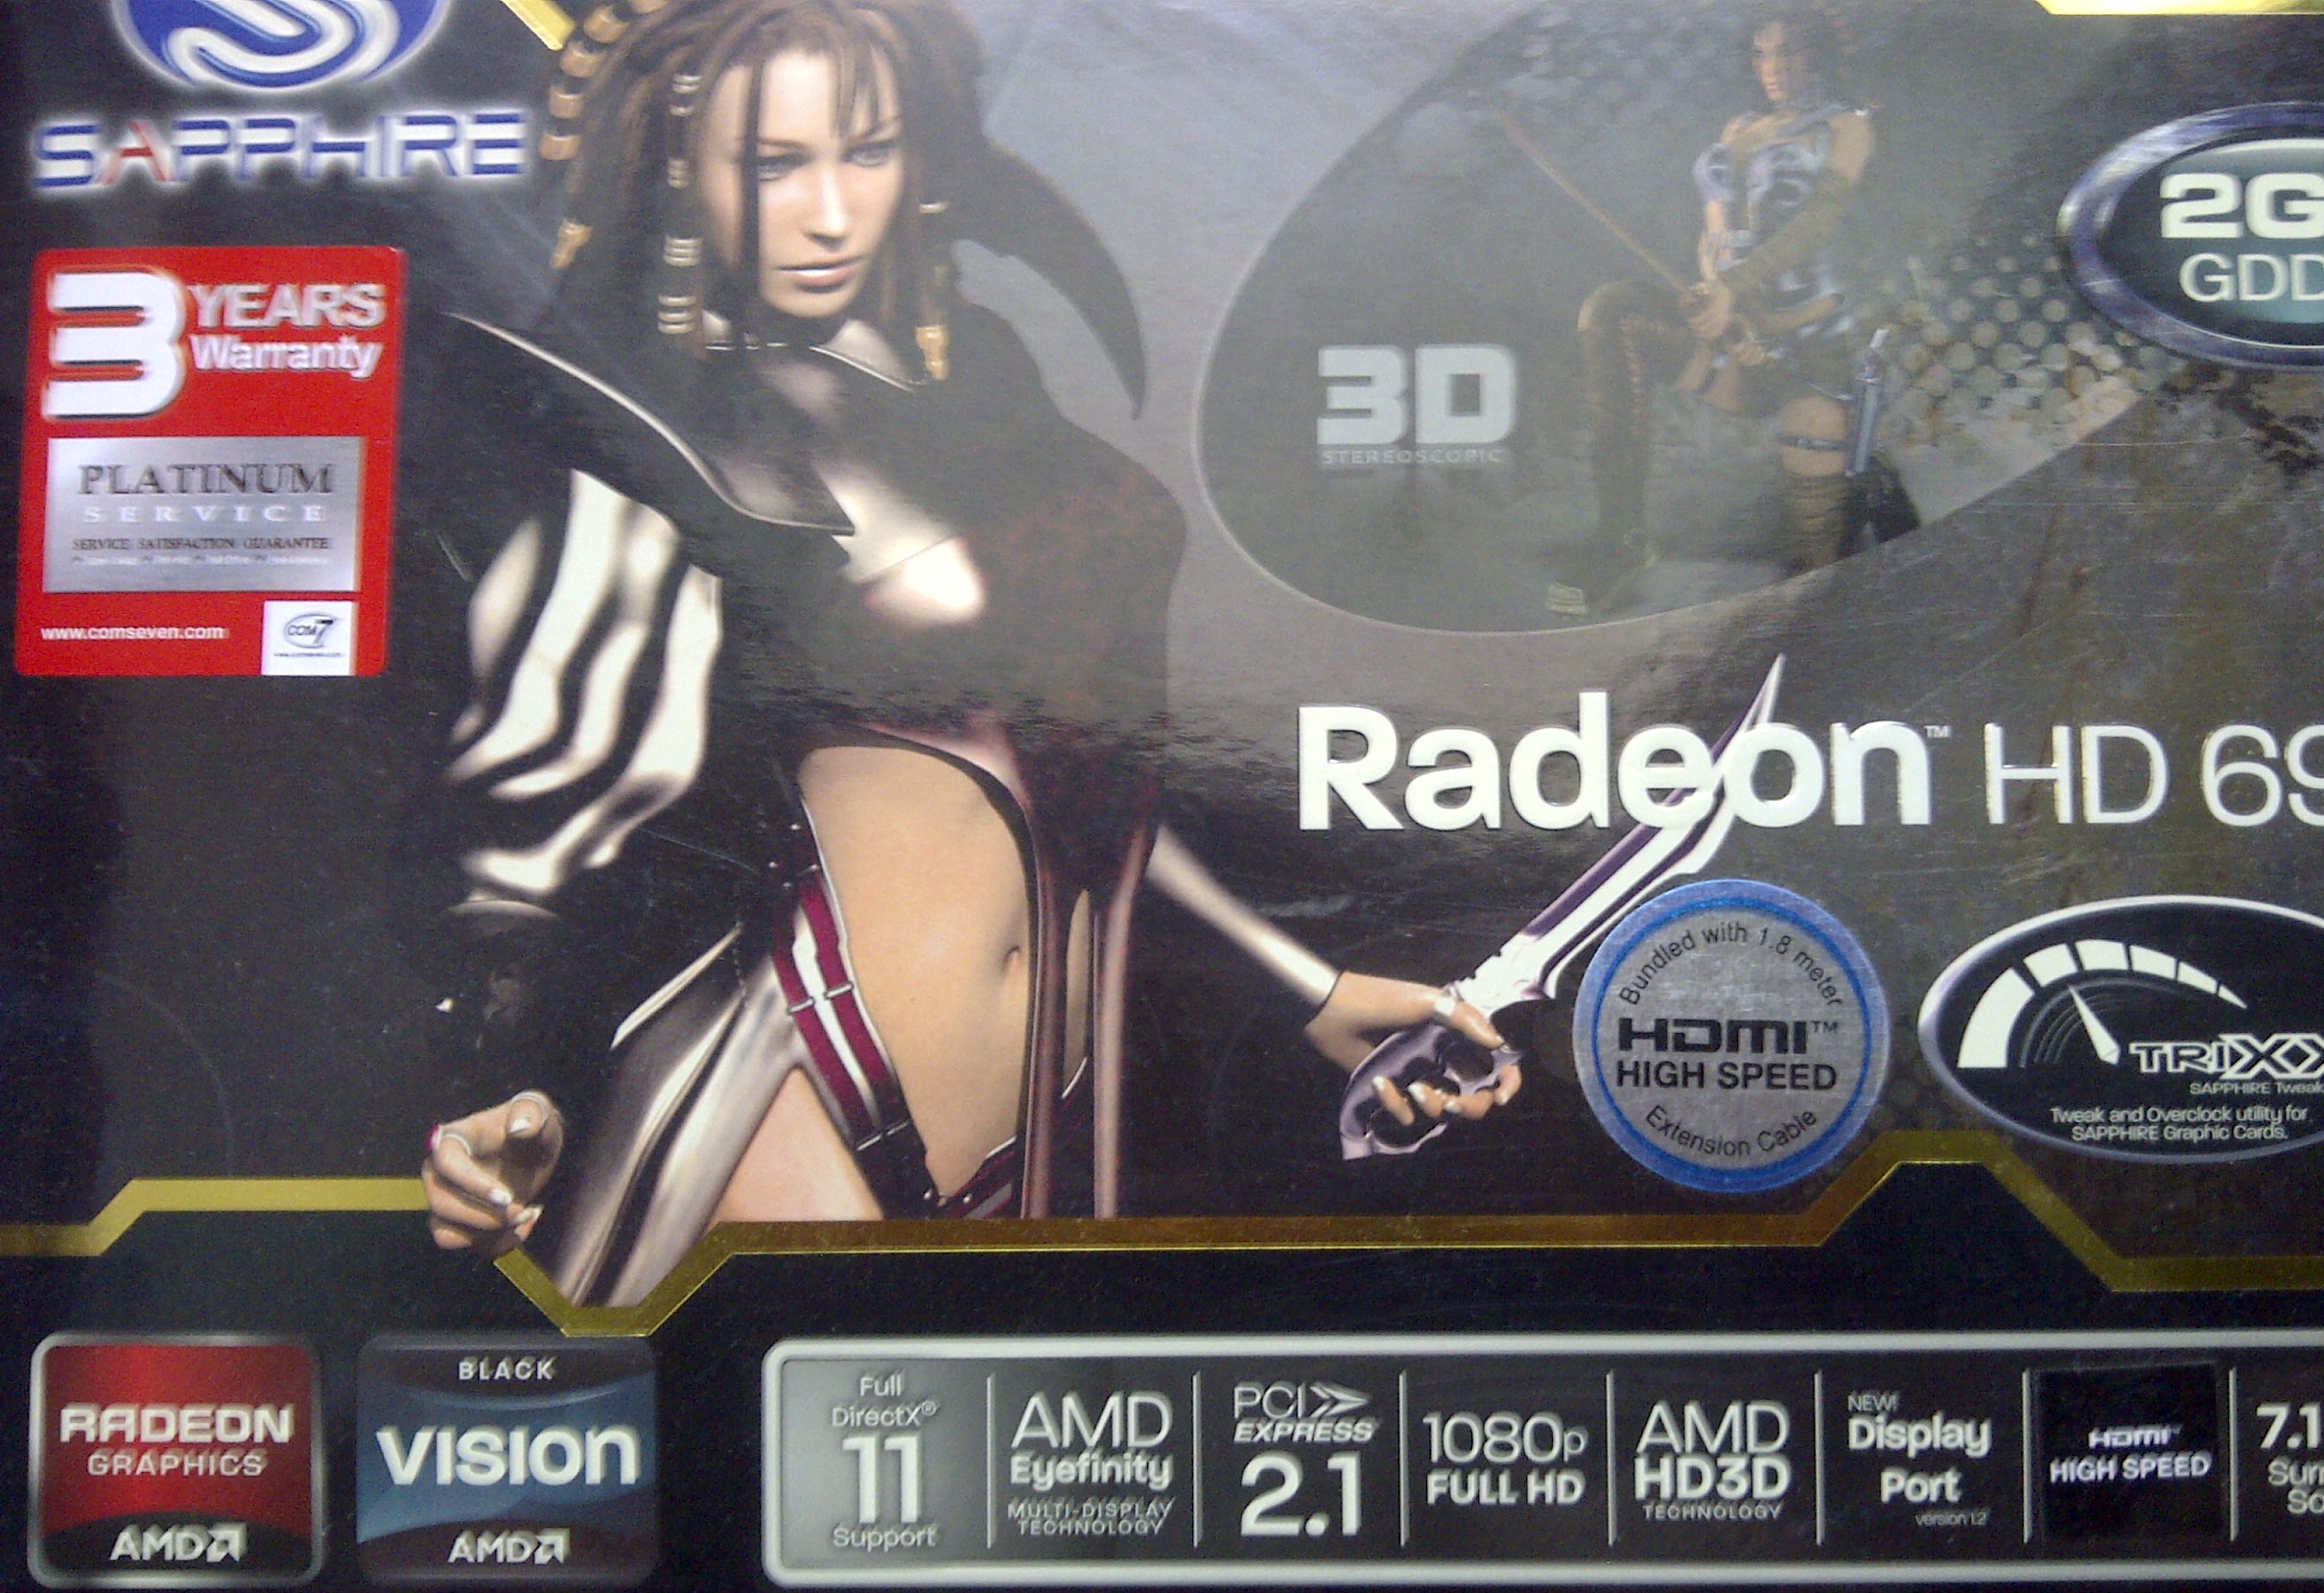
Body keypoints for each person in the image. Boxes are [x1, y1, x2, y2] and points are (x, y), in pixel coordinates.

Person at [411, 0, 1516, 1307]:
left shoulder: (978, 377)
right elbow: (533, 832)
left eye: (867, 151)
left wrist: (1303, 984)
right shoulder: (645, 437)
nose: (831, 212)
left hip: (1051, 1113)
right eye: (774, 165)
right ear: (678, 171)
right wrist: (507, 1091)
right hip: (784, 1081)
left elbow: (1087, 775)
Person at [1548, 8, 1873, 621]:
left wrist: (1733, 288)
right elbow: (1717, 228)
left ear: (1817, 54)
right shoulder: (1740, 126)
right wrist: (1711, 296)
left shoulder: (1848, 127)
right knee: (1612, 310)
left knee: (1814, 570)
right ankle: (1621, 536)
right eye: (1762, 53)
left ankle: (1866, 503)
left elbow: (1816, 225)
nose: (1773, 67)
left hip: (1810, 349)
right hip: (1735, 342)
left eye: (1789, 51)